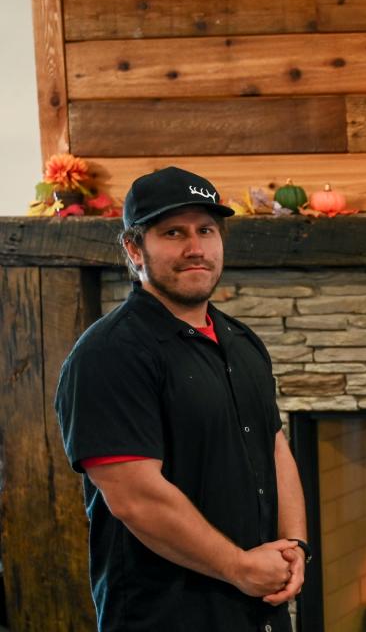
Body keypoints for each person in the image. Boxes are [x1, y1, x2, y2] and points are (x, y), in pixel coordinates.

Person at [55, 166, 309, 631]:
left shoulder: (241, 340)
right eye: (173, 232)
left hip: (258, 610)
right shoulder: (109, 354)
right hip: (167, 616)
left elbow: (275, 447)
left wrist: (294, 547)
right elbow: (136, 499)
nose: (195, 248)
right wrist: (239, 566)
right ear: (134, 248)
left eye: (206, 231)